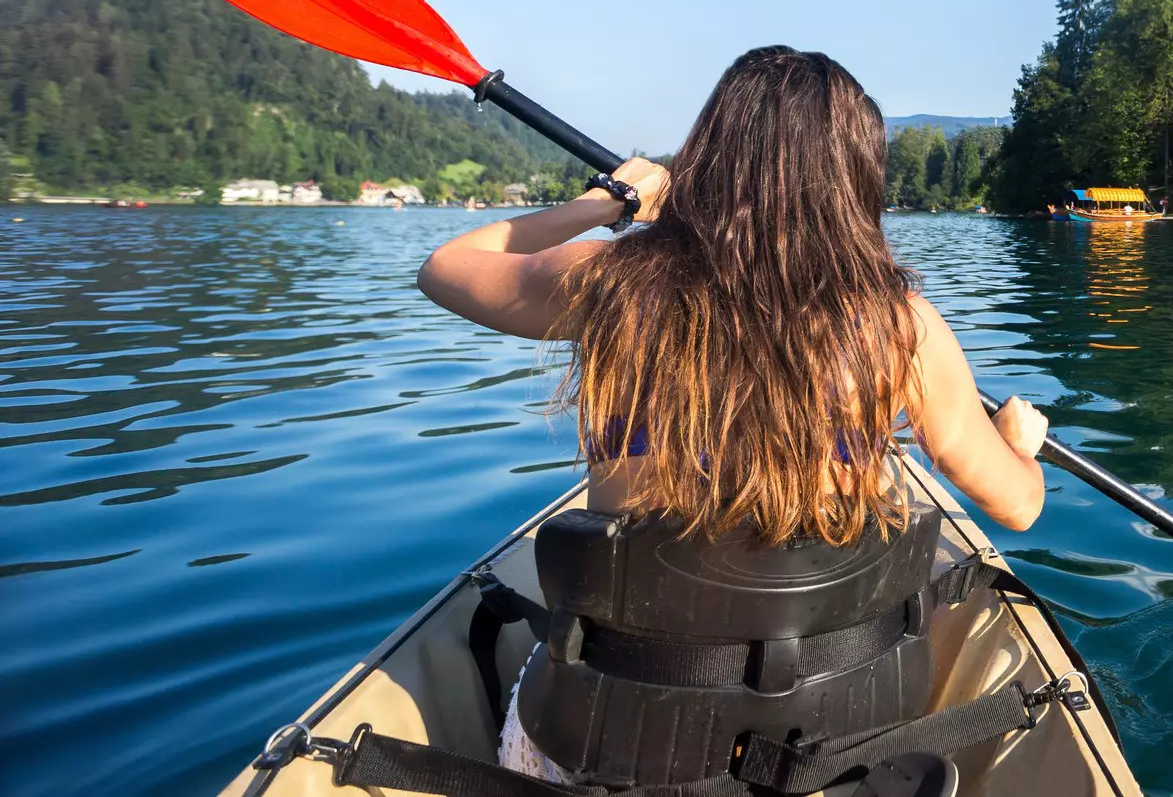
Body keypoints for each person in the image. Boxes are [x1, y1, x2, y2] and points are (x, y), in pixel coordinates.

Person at [415, 46, 1049, 784]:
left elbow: (447, 264)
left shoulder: (608, 283)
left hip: (616, 757)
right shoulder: (904, 329)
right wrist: (1015, 443)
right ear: (855, 182)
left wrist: (609, 200)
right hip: (834, 754)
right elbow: (1020, 504)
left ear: (709, 157)